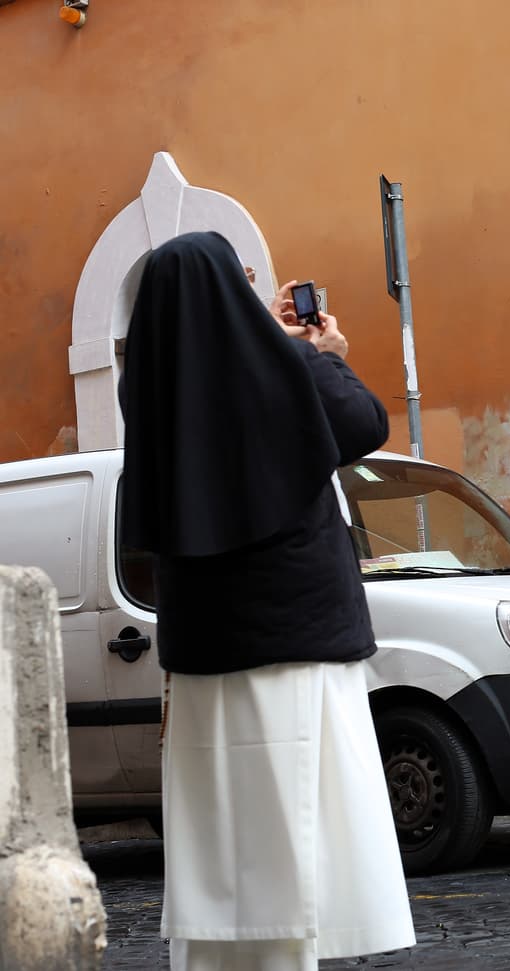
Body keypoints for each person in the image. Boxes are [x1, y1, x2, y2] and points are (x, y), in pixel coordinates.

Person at [119, 231, 416, 970]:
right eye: (243, 278)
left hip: (202, 657)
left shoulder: (151, 388)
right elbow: (364, 423)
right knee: (299, 838)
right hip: (295, 643)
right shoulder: (282, 368)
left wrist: (280, 344)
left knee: (227, 843)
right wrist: (318, 351)